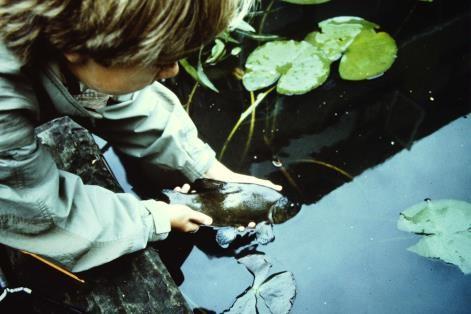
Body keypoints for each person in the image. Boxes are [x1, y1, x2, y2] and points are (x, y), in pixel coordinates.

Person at [0, 0, 280, 272]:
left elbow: (117, 98)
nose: (173, 71)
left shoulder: (75, 38)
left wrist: (207, 169)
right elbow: (42, 214)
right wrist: (156, 218)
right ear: (76, 47)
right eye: (160, 60)